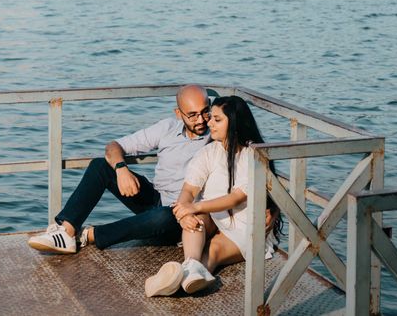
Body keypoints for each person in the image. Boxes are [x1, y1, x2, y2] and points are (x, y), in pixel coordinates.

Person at [27, 84, 212, 253]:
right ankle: (67, 231)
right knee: (100, 165)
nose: (201, 120)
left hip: (182, 216)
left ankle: (89, 235)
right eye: (193, 115)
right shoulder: (167, 127)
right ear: (179, 114)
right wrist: (121, 168)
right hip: (156, 198)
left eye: (205, 112)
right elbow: (113, 146)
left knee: (163, 216)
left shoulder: (217, 134)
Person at [144, 94, 281, 297]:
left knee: (213, 250)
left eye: (217, 119)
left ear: (234, 123)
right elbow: (189, 190)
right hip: (217, 218)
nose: (209, 123)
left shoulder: (252, 156)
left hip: (245, 226)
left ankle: (180, 282)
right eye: (211, 118)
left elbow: (237, 198)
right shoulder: (209, 152)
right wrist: (185, 212)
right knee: (195, 220)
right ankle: (190, 266)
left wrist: (195, 206)